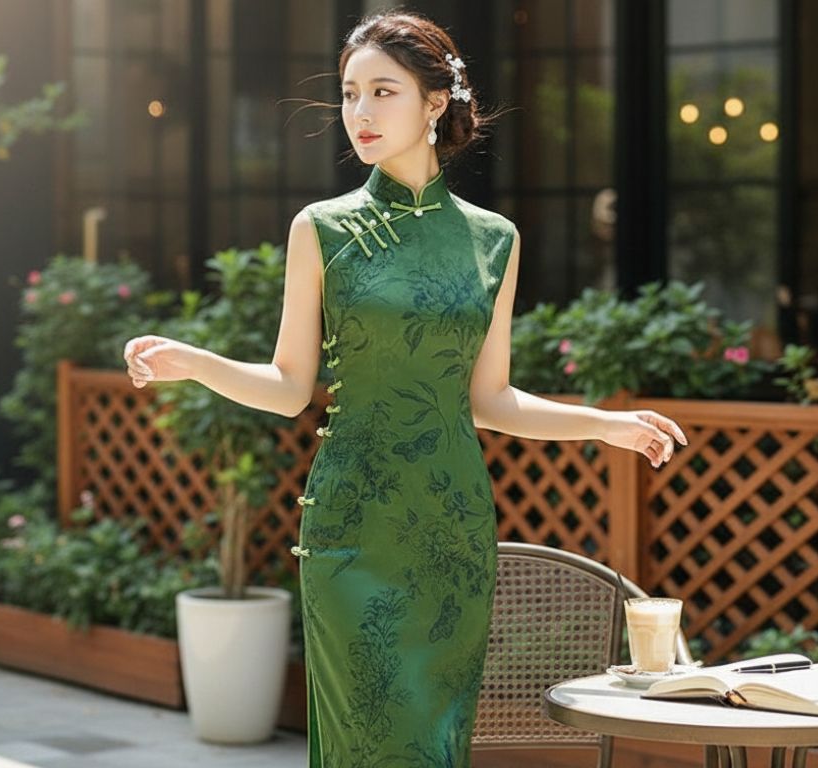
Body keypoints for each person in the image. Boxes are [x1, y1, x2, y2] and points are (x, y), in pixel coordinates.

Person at [122, 10, 687, 766]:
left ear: (434, 103)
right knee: (364, 740)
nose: (359, 111)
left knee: (434, 743)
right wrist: (198, 363)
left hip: (450, 530)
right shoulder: (321, 229)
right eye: (350, 93)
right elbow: (291, 388)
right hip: (351, 528)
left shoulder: (494, 241)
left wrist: (605, 425)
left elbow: (492, 400)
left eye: (382, 91)